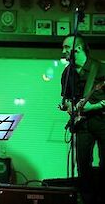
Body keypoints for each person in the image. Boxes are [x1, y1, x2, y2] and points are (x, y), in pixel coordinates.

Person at [60, 34, 105, 204]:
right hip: (82, 123)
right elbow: (66, 99)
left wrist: (93, 106)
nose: (63, 51)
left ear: (77, 49)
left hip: (102, 121)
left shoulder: (100, 68)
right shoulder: (67, 73)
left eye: (66, 47)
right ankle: (87, 200)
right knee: (82, 164)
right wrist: (69, 107)